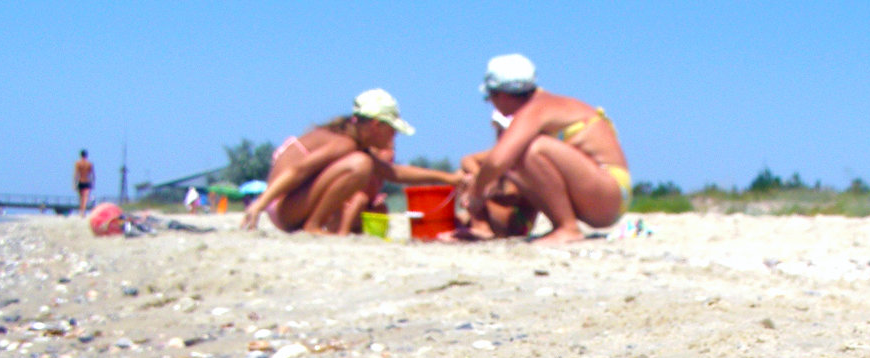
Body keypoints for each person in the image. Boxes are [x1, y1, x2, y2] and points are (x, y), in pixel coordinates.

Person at [462, 53, 631, 245]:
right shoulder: (542, 106)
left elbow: (497, 160)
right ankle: (562, 226)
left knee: (530, 148)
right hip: (602, 194)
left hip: (609, 193)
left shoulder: (536, 109)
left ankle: (567, 228)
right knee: (515, 162)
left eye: (489, 97)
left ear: (500, 95)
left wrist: (476, 192)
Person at [241, 89, 461, 234]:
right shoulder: (345, 144)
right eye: (392, 130)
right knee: (360, 165)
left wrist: (448, 178)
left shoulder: (348, 139)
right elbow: (298, 170)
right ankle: (314, 225)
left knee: (362, 164)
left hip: (286, 205)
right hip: (283, 208)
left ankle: (316, 224)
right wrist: (260, 204)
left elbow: (394, 173)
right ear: (376, 125)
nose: (394, 137)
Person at [440, 110, 538, 241]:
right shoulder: (501, 155)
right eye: (499, 131)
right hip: (503, 217)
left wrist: (479, 186)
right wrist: (479, 179)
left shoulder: (527, 158)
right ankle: (474, 224)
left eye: (504, 131)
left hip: (517, 223)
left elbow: (514, 195)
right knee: (465, 176)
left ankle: (481, 227)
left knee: (470, 182)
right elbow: (467, 160)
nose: (500, 135)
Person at [74, 150, 95, 216]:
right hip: (87, 181)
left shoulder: (78, 163)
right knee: (85, 198)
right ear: (86, 155)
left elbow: (76, 174)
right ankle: (83, 212)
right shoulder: (89, 164)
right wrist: (93, 183)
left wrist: (74, 184)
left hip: (80, 181)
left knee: (81, 198)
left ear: (80, 155)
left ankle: (81, 211)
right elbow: (92, 174)